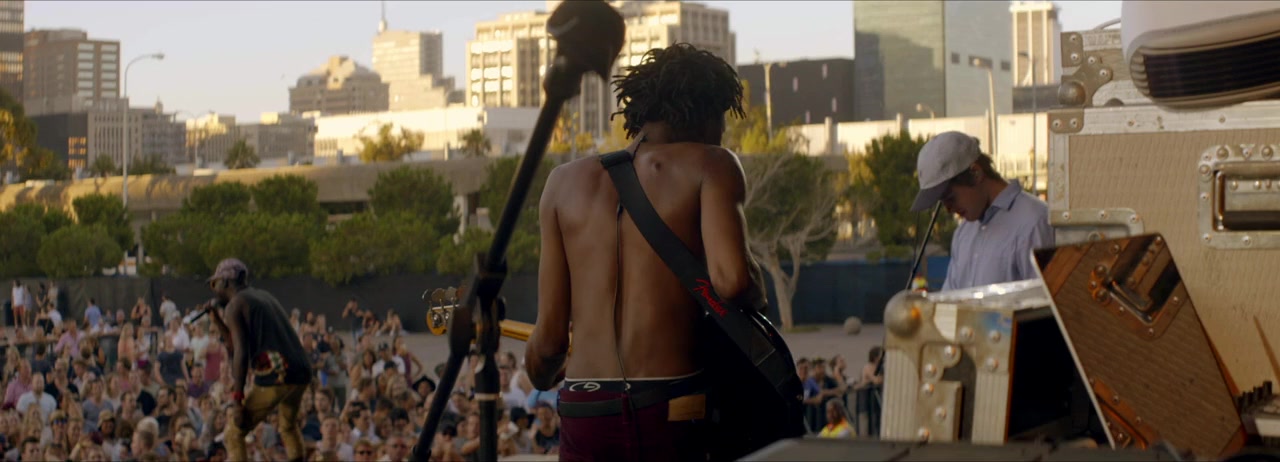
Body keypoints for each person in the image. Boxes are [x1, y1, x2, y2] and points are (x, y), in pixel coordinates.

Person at [525, 43, 768, 461]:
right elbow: (732, 281)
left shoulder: (561, 183)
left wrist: (541, 371)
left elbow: (548, 343)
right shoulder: (711, 164)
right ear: (707, 113)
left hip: (586, 410)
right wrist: (757, 285)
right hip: (672, 408)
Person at [909, 131, 1053, 291]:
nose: (948, 209)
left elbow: (1048, 299)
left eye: (950, 197)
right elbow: (951, 299)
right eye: (942, 202)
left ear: (976, 173)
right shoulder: (963, 234)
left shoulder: (1034, 222)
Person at [204, 258, 313, 462]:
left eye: (215, 284)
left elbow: (240, 352)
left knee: (233, 433)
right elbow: (233, 343)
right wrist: (217, 320)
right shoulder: (263, 296)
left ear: (226, 281)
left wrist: (237, 399)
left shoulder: (235, 305)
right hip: (301, 371)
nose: (215, 290)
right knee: (288, 427)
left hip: (276, 375)